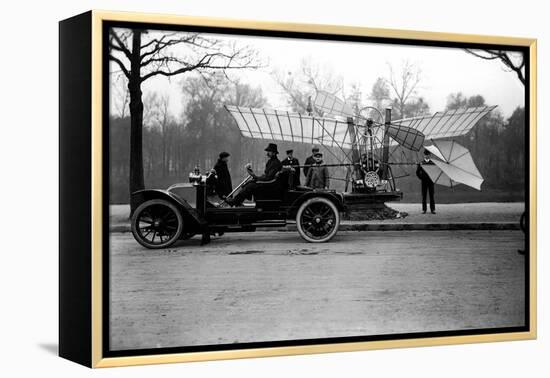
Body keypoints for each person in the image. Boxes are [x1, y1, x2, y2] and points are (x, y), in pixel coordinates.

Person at [416, 149, 436, 214]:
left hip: (431, 182)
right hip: (424, 182)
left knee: (431, 196)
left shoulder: (433, 163)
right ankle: (424, 210)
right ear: (424, 155)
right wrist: (421, 178)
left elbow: (435, 172)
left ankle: (432, 209)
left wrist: (433, 178)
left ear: (429, 155)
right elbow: (417, 172)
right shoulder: (421, 163)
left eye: (427, 155)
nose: (426, 156)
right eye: (425, 155)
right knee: (424, 196)